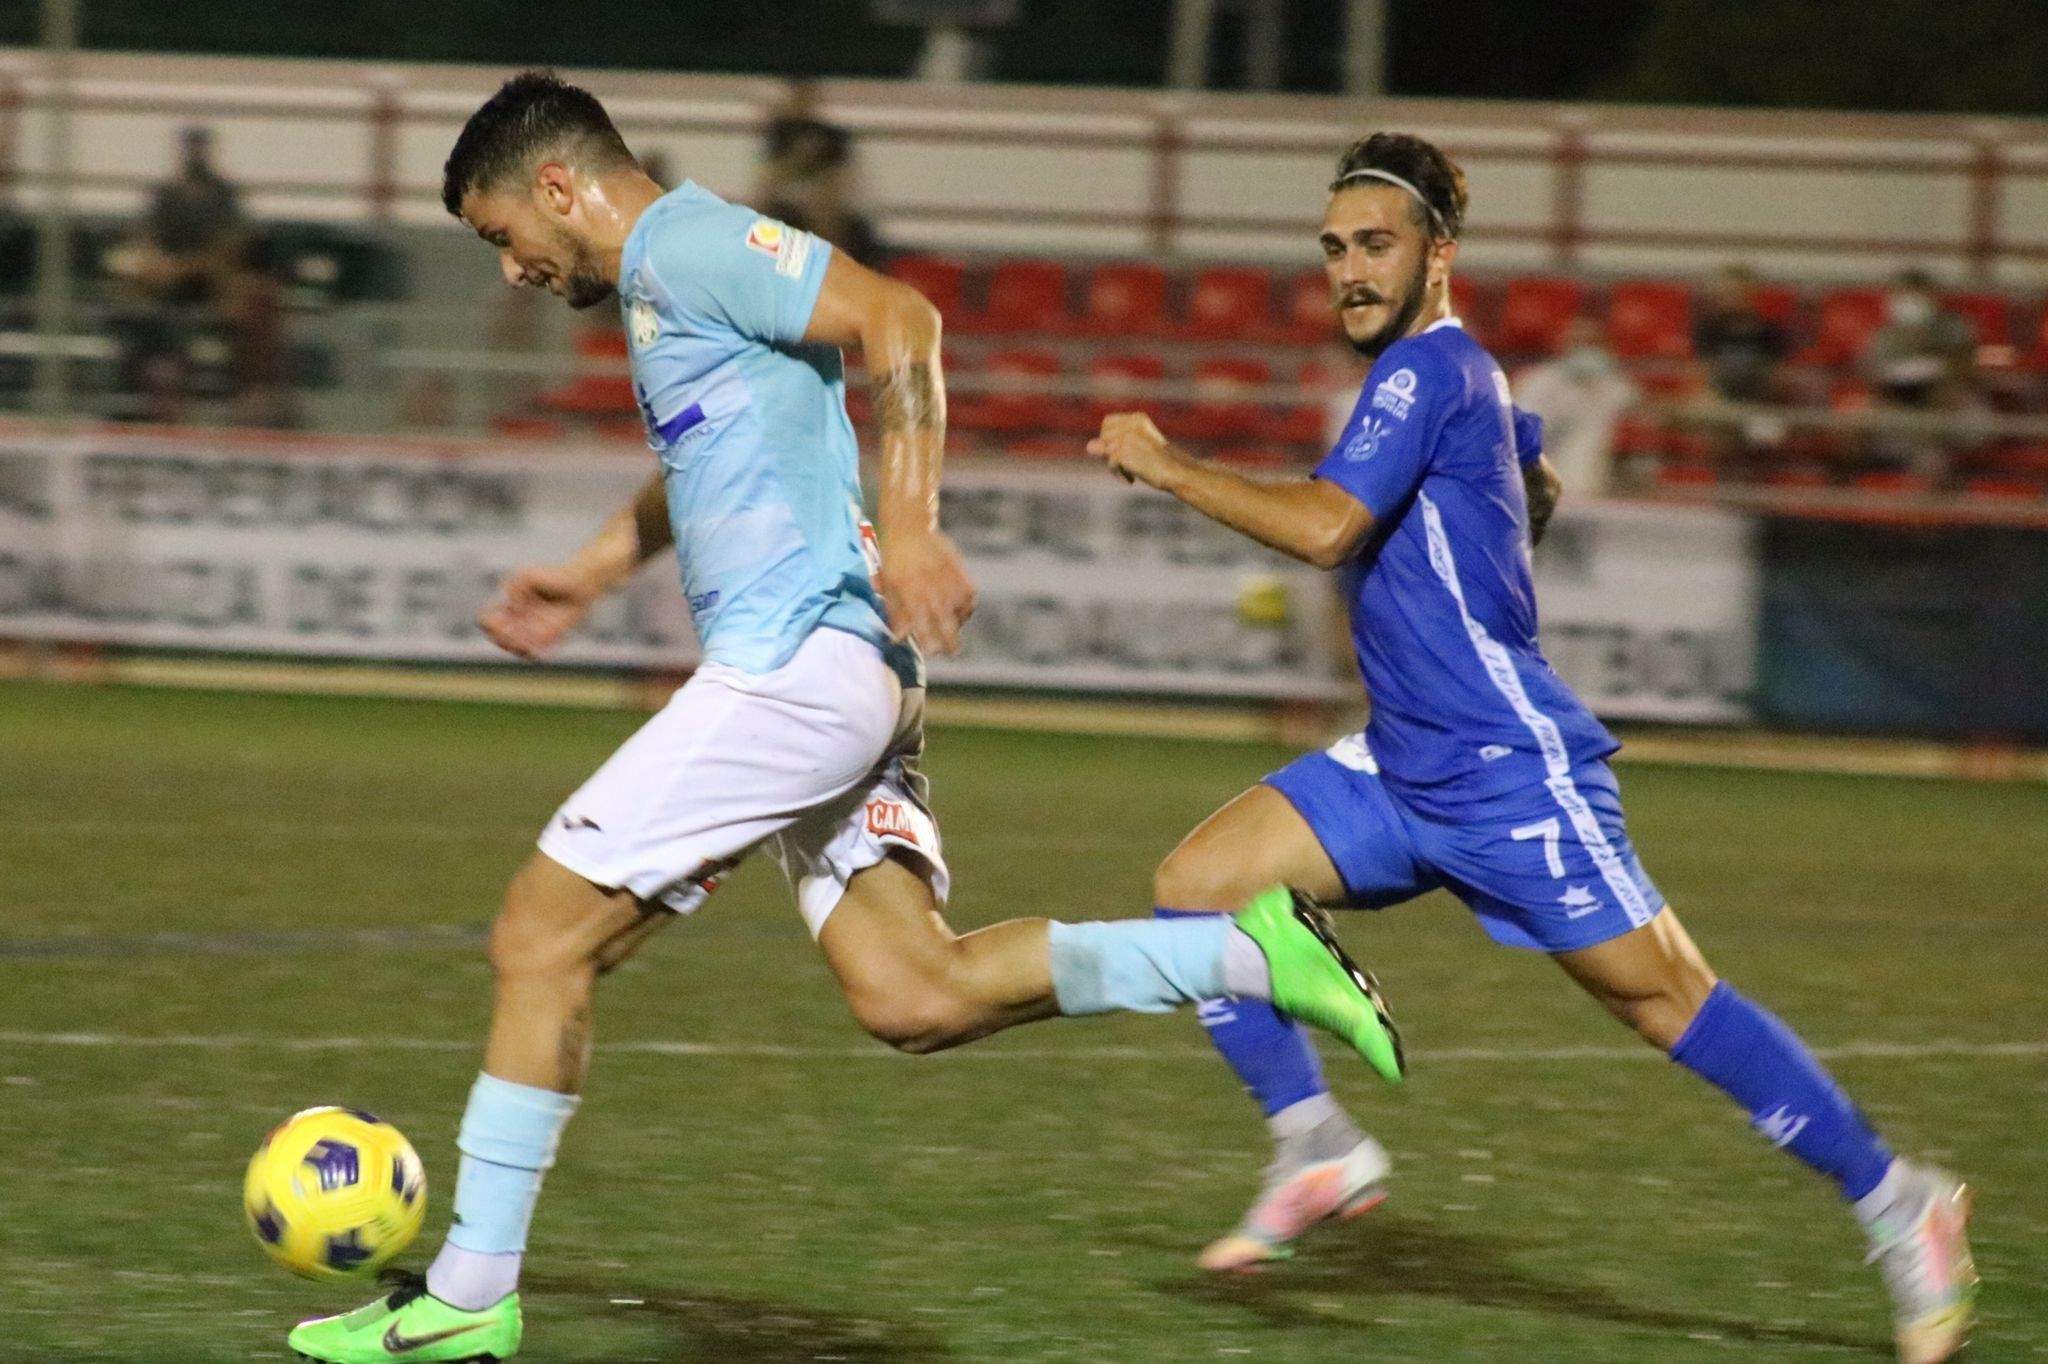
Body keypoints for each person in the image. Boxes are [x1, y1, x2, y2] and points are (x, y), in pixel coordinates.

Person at [283, 71, 1400, 1364]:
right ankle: (1246, 957)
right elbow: (710, 458)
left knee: (541, 937)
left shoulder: (691, 244)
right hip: (833, 676)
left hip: (799, 669)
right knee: (913, 992)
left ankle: (471, 1299)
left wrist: (914, 529)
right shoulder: (665, 291)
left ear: (555, 186)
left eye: (503, 239)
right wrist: (593, 570)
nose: (514, 270)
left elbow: (902, 320)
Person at [1086, 132, 1976, 1364]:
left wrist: (1163, 461)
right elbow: (1531, 468)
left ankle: (1898, 1201)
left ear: (1437, 254)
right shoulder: (1458, 378)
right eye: (1334, 248)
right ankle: (1314, 1142)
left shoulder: (1425, 368)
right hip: (1404, 763)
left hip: (1504, 769)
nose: (1347, 269)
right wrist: (1516, 483)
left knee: (1666, 999)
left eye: (1374, 244)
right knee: (1192, 885)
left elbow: (1327, 525)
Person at [1511, 316, 1636, 497]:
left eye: (1591, 343)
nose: (1584, 350)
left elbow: (1648, 412)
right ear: (1563, 345)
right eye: (1578, 343)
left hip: (1590, 486)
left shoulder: (1615, 386)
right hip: (1534, 488)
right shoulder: (1537, 381)